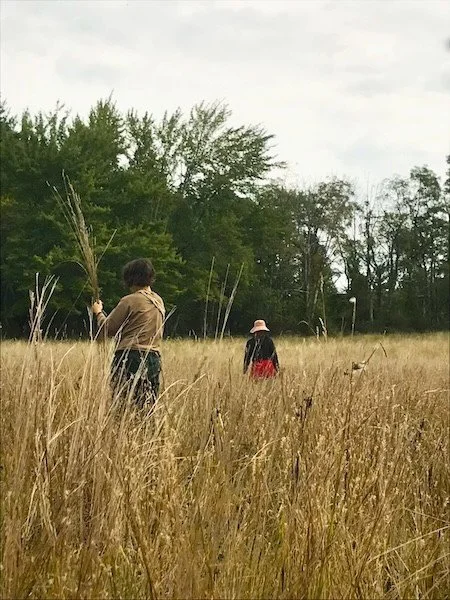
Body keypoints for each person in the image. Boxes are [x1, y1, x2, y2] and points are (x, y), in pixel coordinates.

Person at [91, 258, 165, 409]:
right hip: (153, 359)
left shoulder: (129, 301)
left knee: (123, 405)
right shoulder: (159, 301)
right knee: (147, 406)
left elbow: (108, 328)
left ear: (130, 278)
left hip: (129, 358)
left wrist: (98, 312)